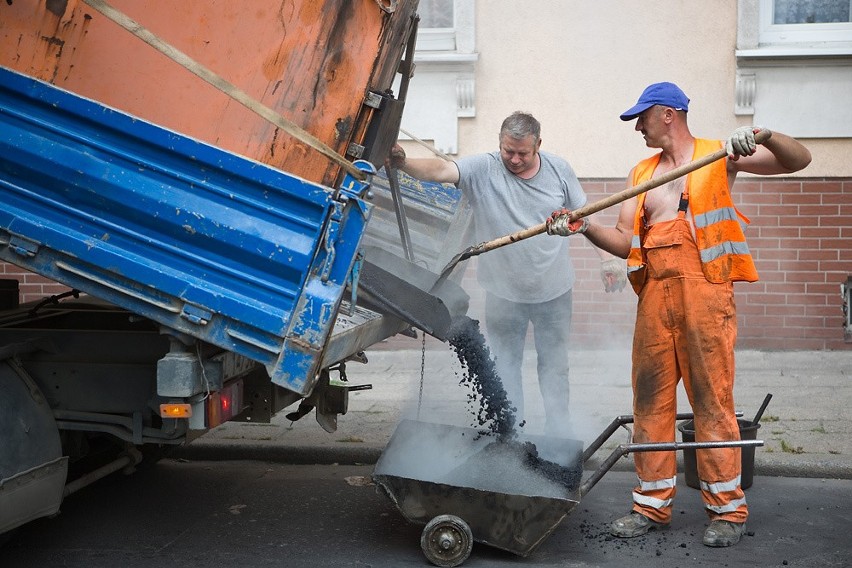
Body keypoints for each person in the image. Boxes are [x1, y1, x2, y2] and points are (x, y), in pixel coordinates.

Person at [546, 82, 811, 547]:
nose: (637, 128)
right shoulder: (642, 173)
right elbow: (626, 239)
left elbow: (798, 160)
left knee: (711, 402)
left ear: (668, 114)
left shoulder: (719, 155)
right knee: (649, 404)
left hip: (706, 295)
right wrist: (584, 226)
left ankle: (727, 511)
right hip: (654, 300)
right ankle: (651, 505)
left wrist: (763, 135)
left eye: (641, 119)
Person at [387, 111, 626, 435]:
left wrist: (608, 259)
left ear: (538, 145)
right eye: (507, 151)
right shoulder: (483, 168)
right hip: (503, 295)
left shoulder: (559, 170)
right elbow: (442, 169)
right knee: (506, 367)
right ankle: (511, 434)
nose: (513, 159)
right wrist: (403, 162)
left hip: (554, 292)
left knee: (554, 367)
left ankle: (560, 431)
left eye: (522, 153)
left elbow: (586, 219)